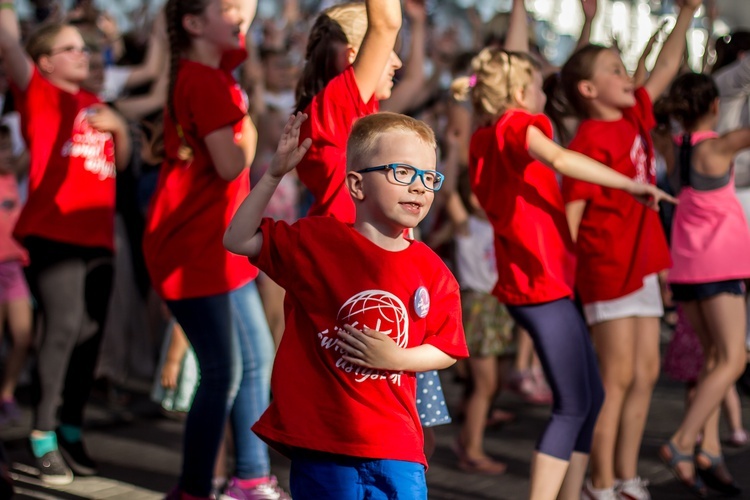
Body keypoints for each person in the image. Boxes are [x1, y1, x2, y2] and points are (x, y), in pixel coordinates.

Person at [451, 47, 674, 500]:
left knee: (587, 401)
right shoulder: (514, 125)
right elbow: (562, 160)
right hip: (539, 287)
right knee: (574, 406)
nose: (542, 93)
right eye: (536, 85)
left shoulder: (483, 136)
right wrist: (631, 183)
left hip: (540, 284)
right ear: (517, 92)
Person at [224, 111, 469, 499]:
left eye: (428, 177)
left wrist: (397, 357)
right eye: (403, 173)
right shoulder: (316, 241)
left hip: (397, 447)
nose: (420, 187)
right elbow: (237, 240)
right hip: (325, 445)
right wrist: (272, 175)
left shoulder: (434, 268)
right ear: (357, 184)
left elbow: (447, 348)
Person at [142, 0, 284, 498]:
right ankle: (194, 489)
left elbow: (243, 16)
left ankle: (250, 476)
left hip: (219, 247)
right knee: (223, 373)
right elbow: (230, 166)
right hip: (194, 250)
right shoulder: (204, 79)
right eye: (226, 9)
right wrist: (253, 131)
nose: (240, 15)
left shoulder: (215, 71)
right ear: (194, 24)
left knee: (253, 362)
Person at [558, 2, 700, 497]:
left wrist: (686, 15)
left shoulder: (633, 114)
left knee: (644, 373)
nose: (627, 74)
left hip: (641, 266)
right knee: (615, 380)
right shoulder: (588, 138)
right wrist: (570, 278)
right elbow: (571, 214)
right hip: (609, 268)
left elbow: (664, 67)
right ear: (588, 90)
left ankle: (624, 475)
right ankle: (599, 482)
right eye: (614, 70)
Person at [0, 1, 131, 485]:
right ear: (47, 61)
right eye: (70, 48)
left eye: (85, 47)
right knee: (63, 327)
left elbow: (122, 163)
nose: (83, 54)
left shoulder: (95, 105)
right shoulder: (39, 93)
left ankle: (70, 429)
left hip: (98, 238)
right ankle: (42, 433)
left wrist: (119, 128)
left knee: (89, 334)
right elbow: (10, 41)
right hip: (52, 231)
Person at [659, 71, 750, 497]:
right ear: (714, 106)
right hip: (720, 267)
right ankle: (682, 441)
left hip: (685, 269)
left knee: (714, 358)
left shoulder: (672, 147)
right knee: (734, 360)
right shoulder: (718, 146)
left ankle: (708, 449)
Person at [452, 168, 515, 475]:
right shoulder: (466, 226)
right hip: (478, 306)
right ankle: (472, 450)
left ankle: (466, 441)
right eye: (475, 191)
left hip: (500, 305)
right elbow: (448, 192)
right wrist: (453, 146)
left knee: (498, 380)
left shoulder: (499, 222)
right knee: (485, 384)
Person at [0, 123, 31, 426]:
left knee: (23, 335)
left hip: (15, 267)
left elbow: (34, 146)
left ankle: (6, 394)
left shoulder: (11, 178)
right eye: (1, 150)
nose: (7, 155)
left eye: (9, 148)